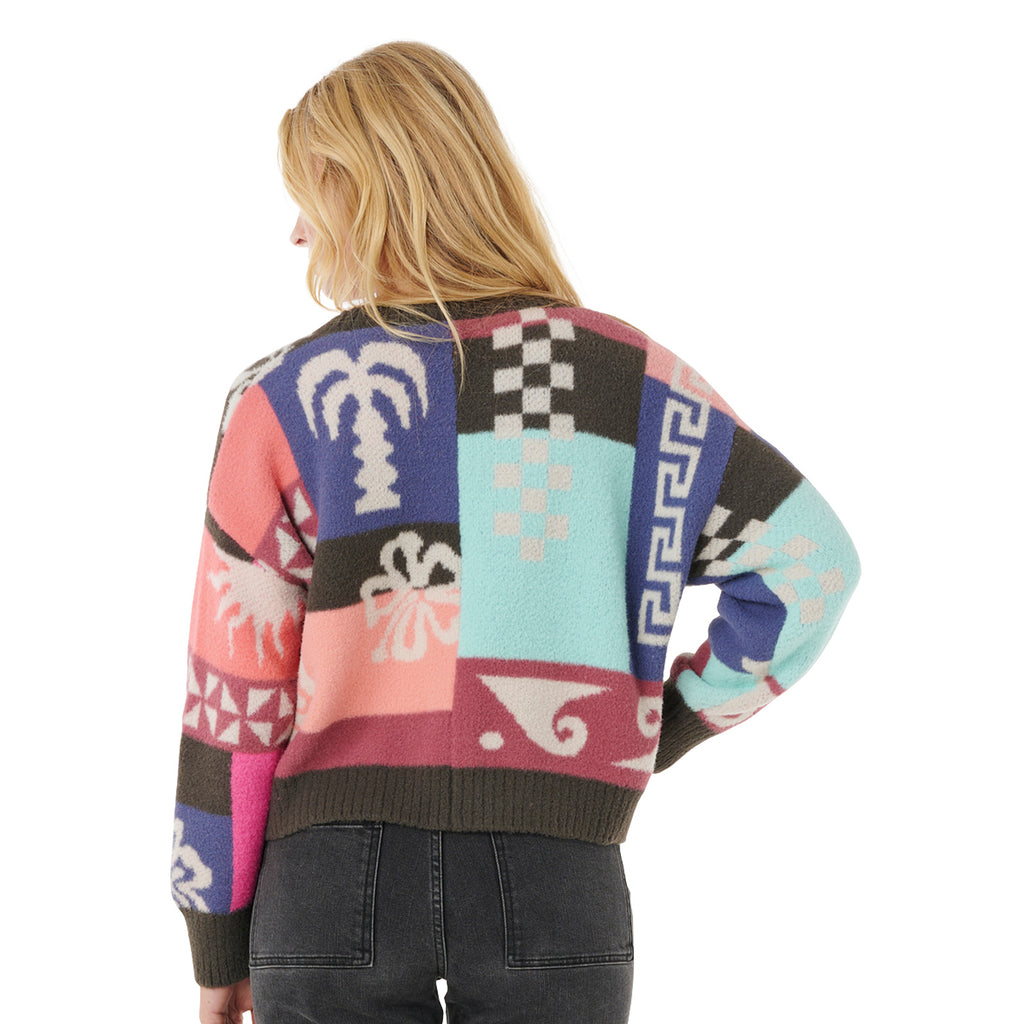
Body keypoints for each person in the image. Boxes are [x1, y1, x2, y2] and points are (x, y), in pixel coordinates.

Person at [171, 41, 860, 1024]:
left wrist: (216, 931)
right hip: (557, 871)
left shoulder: (280, 399)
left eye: (311, 195)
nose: (296, 232)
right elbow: (808, 567)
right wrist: (649, 729)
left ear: (370, 193)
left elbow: (232, 695)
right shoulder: (627, 380)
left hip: (326, 889)